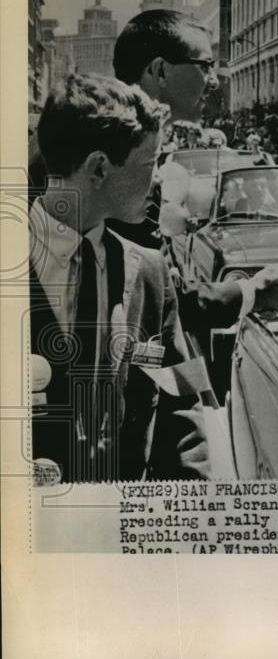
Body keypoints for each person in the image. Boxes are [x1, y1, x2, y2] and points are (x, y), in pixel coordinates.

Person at [29, 74, 211, 482]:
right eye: (150, 163)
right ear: (99, 168)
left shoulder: (148, 270)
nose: (158, 179)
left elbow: (180, 402)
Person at [109, 9, 278, 339]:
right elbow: (139, 300)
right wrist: (251, 291)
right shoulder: (114, 147)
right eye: (204, 66)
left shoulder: (129, 138)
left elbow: (155, 291)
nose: (213, 82)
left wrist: (249, 292)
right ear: (160, 71)